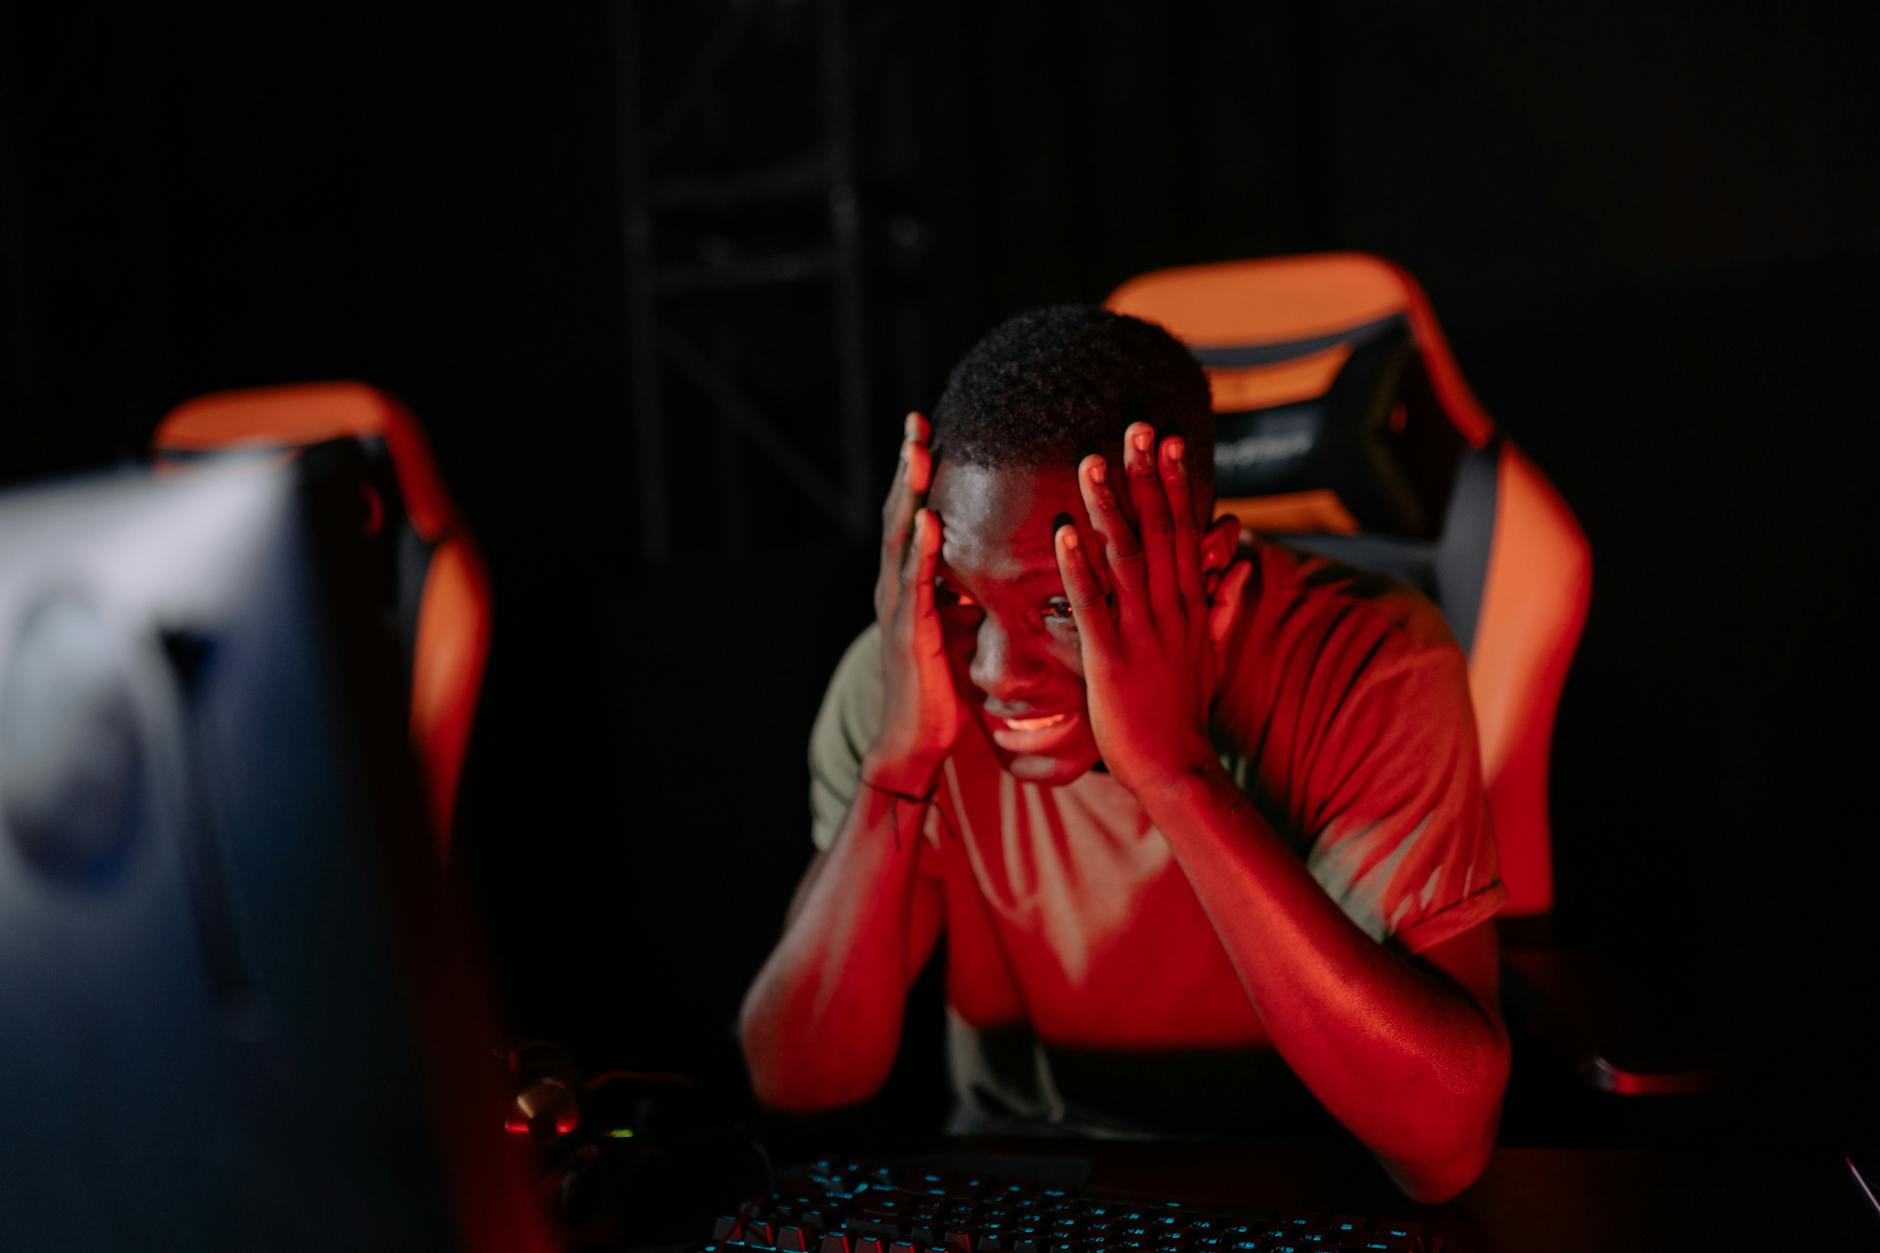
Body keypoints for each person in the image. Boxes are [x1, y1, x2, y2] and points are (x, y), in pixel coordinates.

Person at [739, 306, 1509, 1202]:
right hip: (1020, 1182)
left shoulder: (1370, 662)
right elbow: (798, 1085)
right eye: (958, 595)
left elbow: (1446, 1147)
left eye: (1067, 603)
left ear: (1209, 569)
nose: (997, 671)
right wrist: (899, 763)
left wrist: (1173, 770)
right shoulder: (908, 674)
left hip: (1300, 1183)